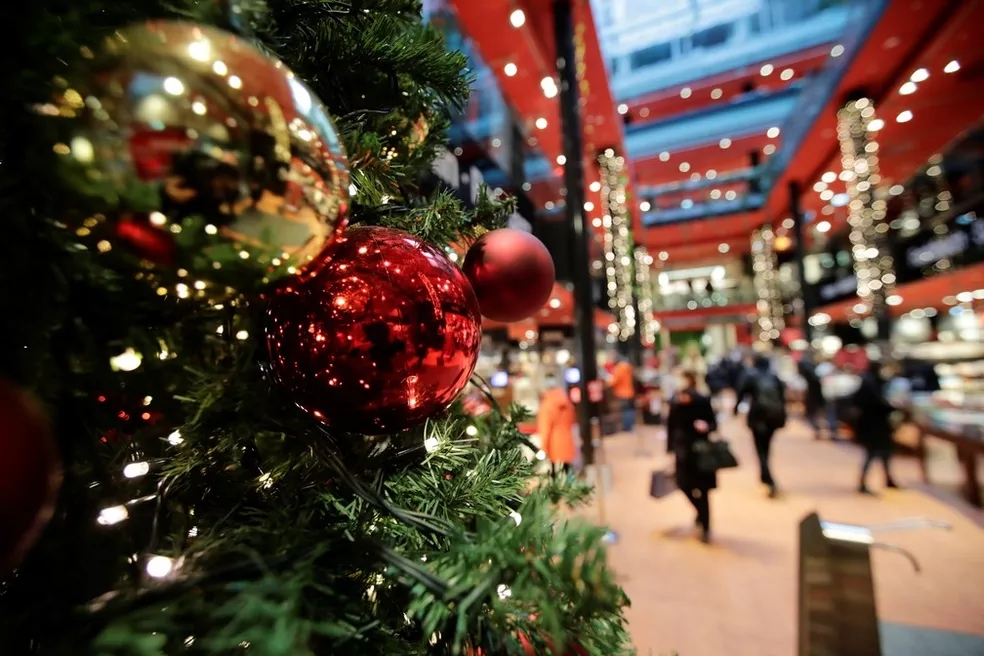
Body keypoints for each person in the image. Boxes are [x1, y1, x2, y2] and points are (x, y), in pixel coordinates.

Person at [666, 370, 718, 543]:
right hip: (683, 451)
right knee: (683, 484)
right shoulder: (675, 402)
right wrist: (670, 450)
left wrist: (706, 426)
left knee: (703, 490)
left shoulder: (702, 400)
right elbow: (671, 427)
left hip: (701, 451)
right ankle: (701, 514)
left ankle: (706, 526)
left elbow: (713, 423)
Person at [735, 354, 787, 498]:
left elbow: (741, 393)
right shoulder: (774, 377)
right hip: (773, 417)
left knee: (760, 448)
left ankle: (767, 476)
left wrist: (736, 409)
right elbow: (782, 397)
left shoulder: (751, 376)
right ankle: (765, 474)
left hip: (758, 415)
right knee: (766, 446)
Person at [853, 360, 900, 494]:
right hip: (874, 426)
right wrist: (893, 408)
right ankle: (863, 483)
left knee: (885, 453)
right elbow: (877, 404)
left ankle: (888, 479)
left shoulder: (871, 382)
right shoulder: (870, 384)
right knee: (872, 454)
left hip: (875, 425)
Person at [537, 375, 577, 475]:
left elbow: (545, 428)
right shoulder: (567, 403)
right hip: (567, 439)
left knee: (554, 471)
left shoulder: (547, 405)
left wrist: (543, 447)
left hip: (553, 442)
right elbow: (573, 420)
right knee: (567, 470)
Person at [799, 350, 831, 440]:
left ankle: (820, 429)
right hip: (815, 395)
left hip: (816, 395)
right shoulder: (810, 367)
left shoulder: (813, 367)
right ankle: (819, 429)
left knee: (816, 413)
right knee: (815, 413)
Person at [608, 354, 637, 432]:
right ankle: (629, 426)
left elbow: (614, 381)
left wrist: (607, 383)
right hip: (629, 391)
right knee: (629, 409)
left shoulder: (619, 368)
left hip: (622, 392)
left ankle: (627, 427)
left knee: (625, 410)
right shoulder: (627, 366)